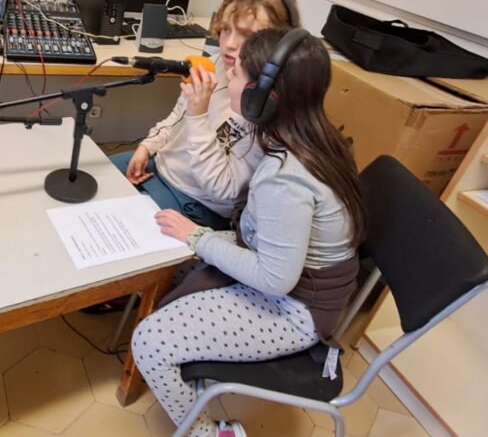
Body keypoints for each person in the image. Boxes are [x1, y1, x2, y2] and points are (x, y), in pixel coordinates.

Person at [131, 28, 366, 437]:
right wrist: (199, 238)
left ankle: (209, 434)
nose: (228, 79)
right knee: (179, 257)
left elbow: (274, 279)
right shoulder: (311, 136)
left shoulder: (285, 177)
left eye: (236, 74)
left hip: (297, 308)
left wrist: (199, 238)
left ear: (262, 97)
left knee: (149, 341)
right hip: (294, 276)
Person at [110, 0, 299, 231]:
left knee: (119, 224)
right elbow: (176, 118)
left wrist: (198, 114)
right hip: (161, 166)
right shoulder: (216, 62)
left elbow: (226, 191)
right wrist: (148, 146)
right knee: (94, 176)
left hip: (198, 201)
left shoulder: (267, 106)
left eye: (247, 35)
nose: (229, 44)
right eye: (226, 30)